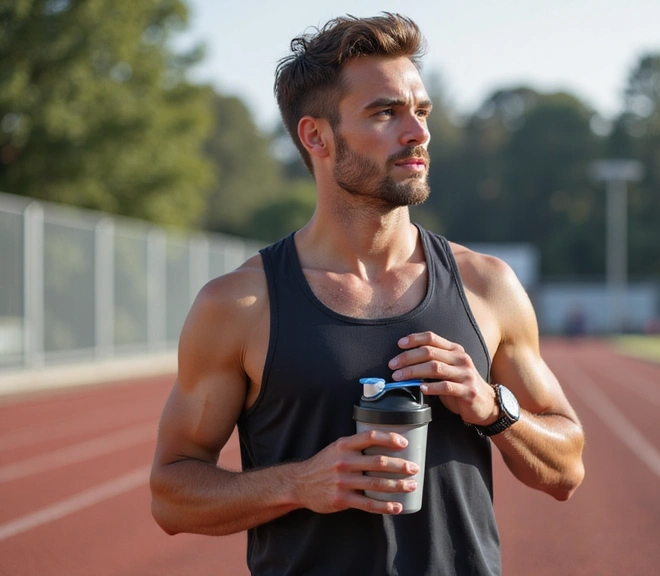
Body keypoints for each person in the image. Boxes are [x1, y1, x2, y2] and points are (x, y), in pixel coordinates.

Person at [150, 13, 585, 576]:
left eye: (421, 111)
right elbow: (171, 496)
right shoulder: (238, 306)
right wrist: (298, 484)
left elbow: (567, 469)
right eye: (385, 113)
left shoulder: (487, 285)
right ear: (316, 136)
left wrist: (492, 407)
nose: (418, 133)